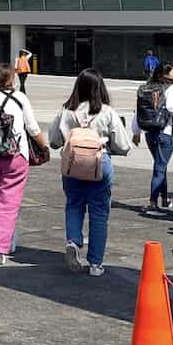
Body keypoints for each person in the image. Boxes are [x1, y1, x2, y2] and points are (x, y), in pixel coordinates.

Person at [48, 68, 133, 276]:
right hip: (99, 163)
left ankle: (73, 241)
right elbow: (123, 145)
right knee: (99, 213)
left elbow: (53, 140)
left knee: (74, 205)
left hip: (72, 165)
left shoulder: (67, 111)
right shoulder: (107, 112)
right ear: (99, 87)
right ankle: (95, 263)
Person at [0, 62, 48, 266]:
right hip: (15, 156)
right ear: (11, 79)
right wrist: (45, 147)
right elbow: (33, 128)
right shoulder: (20, 98)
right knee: (8, 201)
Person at [131, 62, 173, 212]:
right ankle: (153, 201)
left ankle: (165, 199)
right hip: (166, 132)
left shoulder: (147, 87)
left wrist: (136, 132)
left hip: (150, 131)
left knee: (160, 166)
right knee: (160, 168)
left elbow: (139, 110)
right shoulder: (172, 87)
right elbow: (171, 107)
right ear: (165, 74)